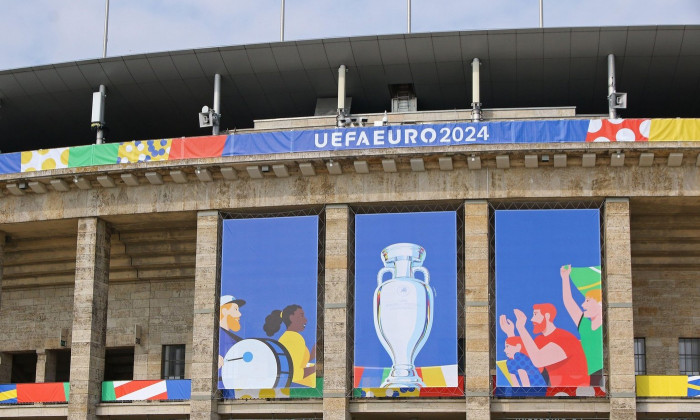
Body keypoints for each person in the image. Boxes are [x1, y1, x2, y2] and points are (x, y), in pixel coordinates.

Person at [500, 303, 589, 387]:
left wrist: (521, 328)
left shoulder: (564, 338)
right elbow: (525, 358)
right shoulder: (539, 340)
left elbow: (538, 360)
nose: (532, 319)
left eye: (535, 314)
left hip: (573, 390)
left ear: (547, 316)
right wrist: (510, 333)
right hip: (551, 389)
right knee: (512, 362)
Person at [560, 265, 603, 386]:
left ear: (600, 303)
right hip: (591, 376)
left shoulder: (607, 327)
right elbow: (568, 301)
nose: (583, 305)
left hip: (604, 373)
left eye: (588, 301)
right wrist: (565, 278)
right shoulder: (584, 325)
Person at [263, 304, 316, 387]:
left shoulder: (288, 337)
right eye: (301, 316)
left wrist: (312, 355)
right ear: (292, 318)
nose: (305, 320)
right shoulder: (294, 338)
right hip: (300, 388)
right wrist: (316, 368)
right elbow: (295, 374)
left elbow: (296, 362)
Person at [218, 295, 245, 392]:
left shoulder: (237, 340)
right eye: (236, 309)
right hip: (223, 390)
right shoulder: (216, 336)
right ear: (224, 311)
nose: (240, 314)